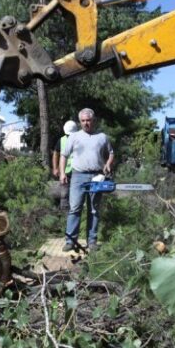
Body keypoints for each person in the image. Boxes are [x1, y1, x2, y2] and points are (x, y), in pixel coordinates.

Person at [59, 108, 114, 252]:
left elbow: (111, 153)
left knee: (94, 210)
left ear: (93, 120)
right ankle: (70, 241)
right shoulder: (74, 136)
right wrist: (62, 173)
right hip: (78, 176)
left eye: (88, 120)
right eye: (83, 121)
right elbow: (63, 155)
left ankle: (92, 241)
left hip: (97, 176)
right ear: (80, 122)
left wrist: (108, 164)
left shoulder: (102, 137)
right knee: (75, 208)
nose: (85, 123)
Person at [52, 120, 78, 210]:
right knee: (64, 195)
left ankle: (75, 211)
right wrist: (55, 168)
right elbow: (56, 153)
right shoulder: (62, 140)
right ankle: (64, 214)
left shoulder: (80, 139)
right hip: (65, 172)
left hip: (77, 172)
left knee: (76, 195)